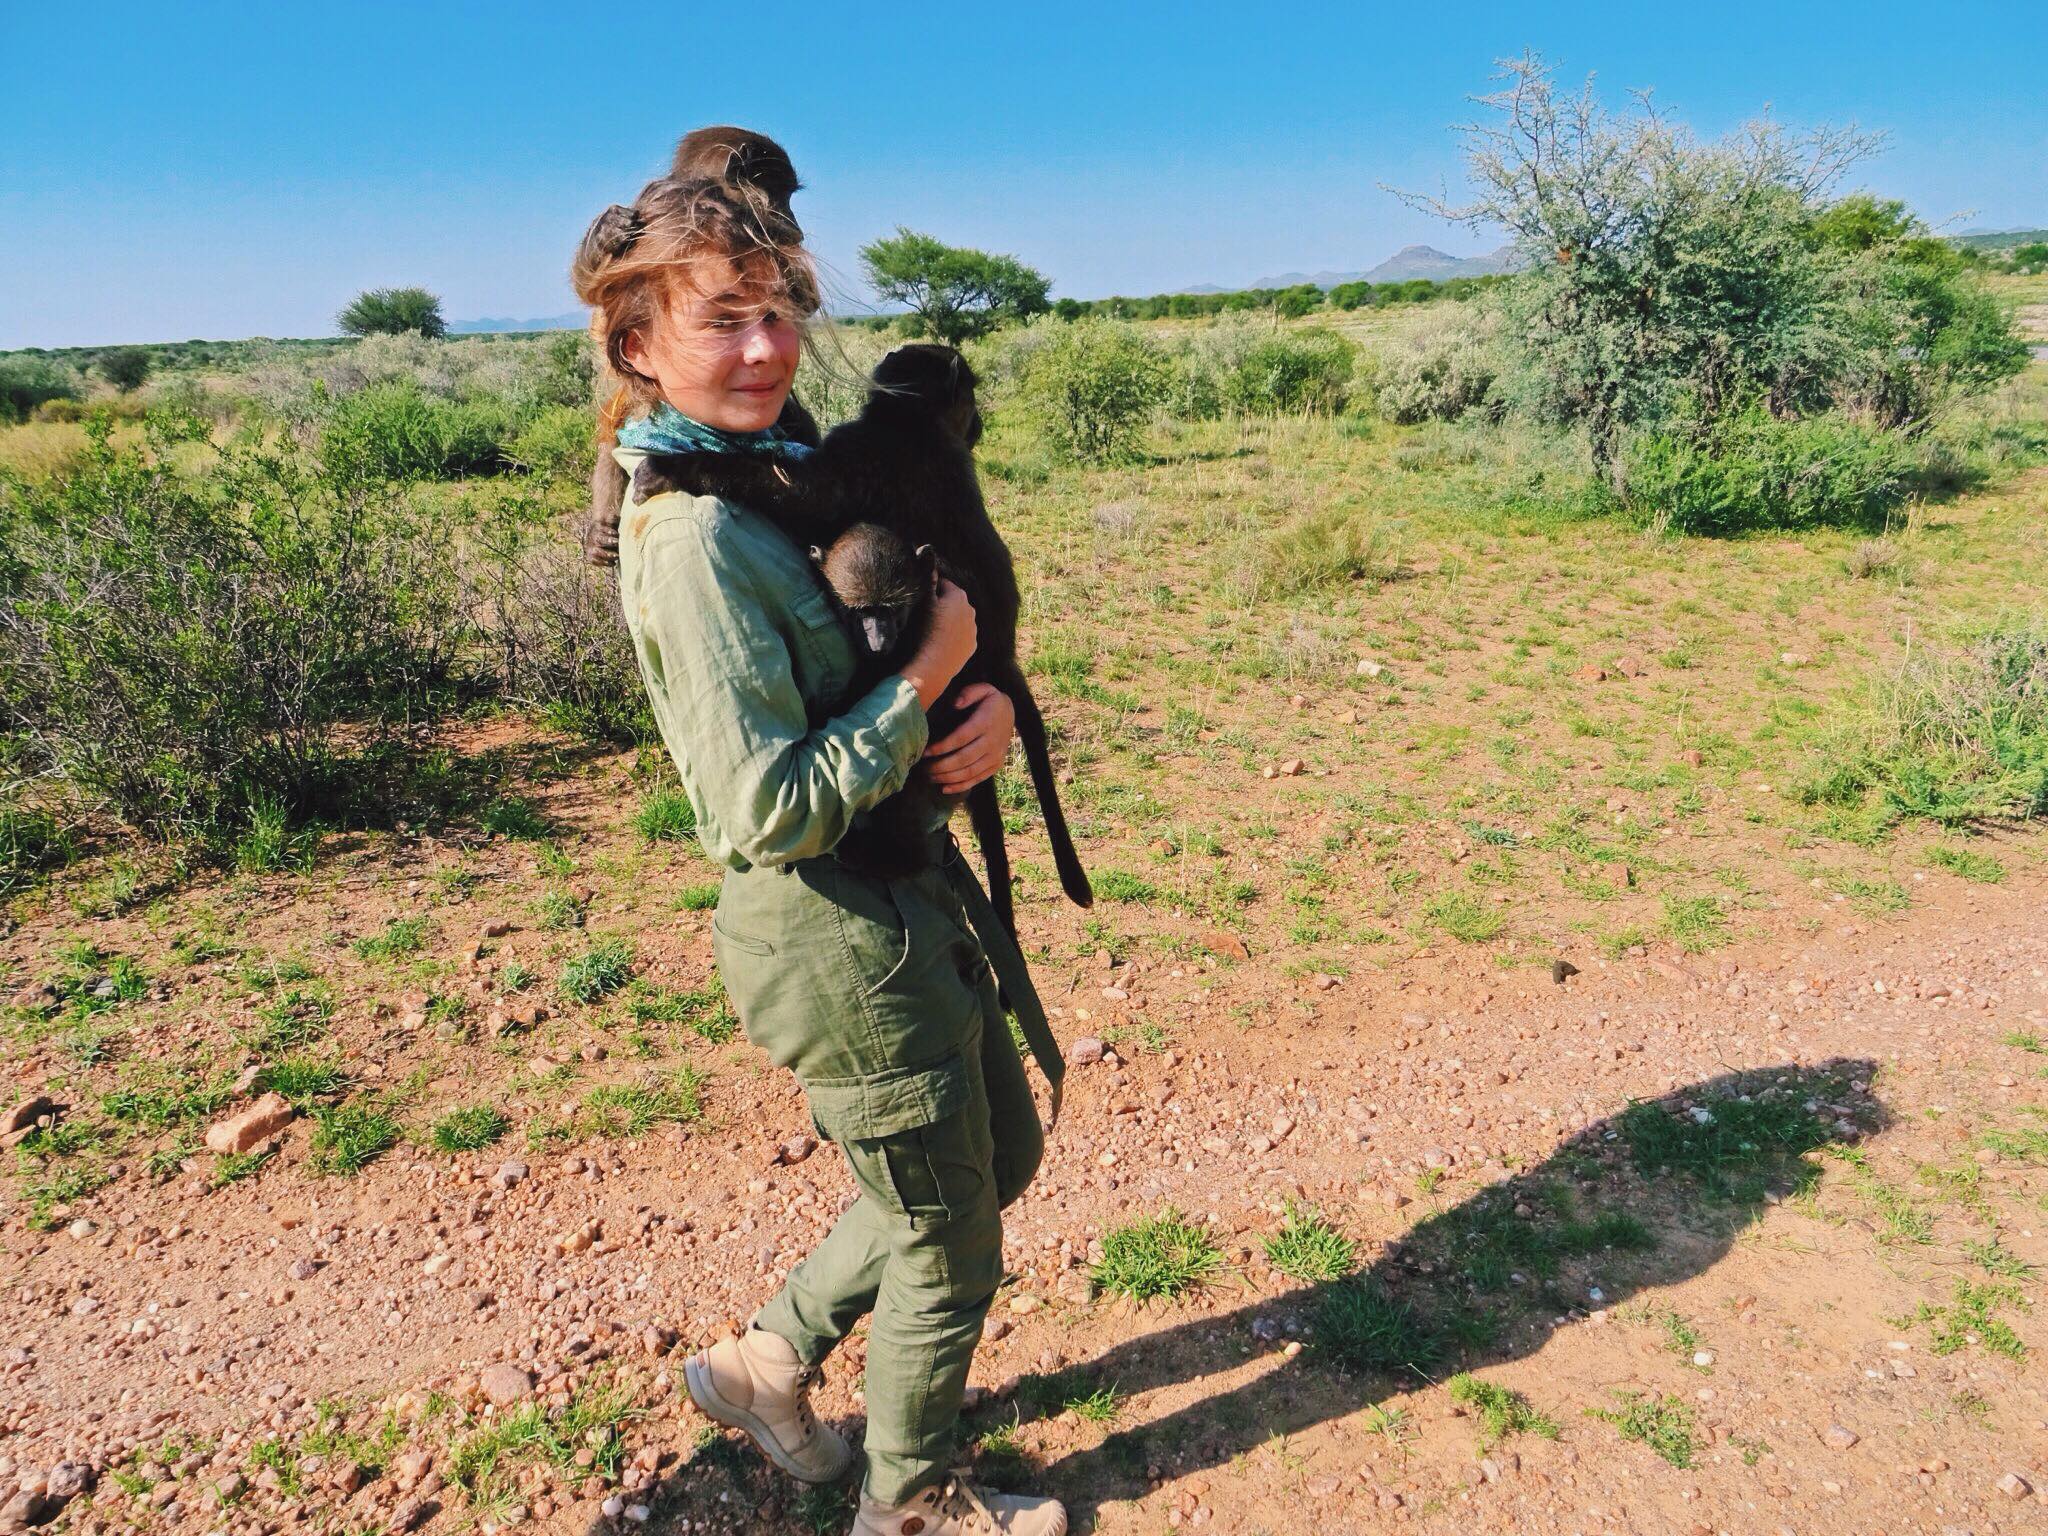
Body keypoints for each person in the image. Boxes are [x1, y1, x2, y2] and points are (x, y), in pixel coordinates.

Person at [571, 163, 1067, 1536]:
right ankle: (914, 1506)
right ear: (639, 346)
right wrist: (924, 688)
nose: (766, 345)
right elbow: (765, 807)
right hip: (833, 925)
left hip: (900, 886)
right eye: (724, 319)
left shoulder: (768, 467)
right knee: (950, 1249)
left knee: (997, 1154)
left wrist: (958, 722)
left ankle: (766, 1362)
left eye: (781, 308)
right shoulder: (695, 538)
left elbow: (869, 658)